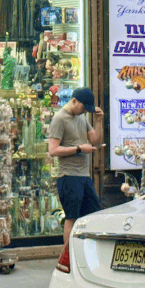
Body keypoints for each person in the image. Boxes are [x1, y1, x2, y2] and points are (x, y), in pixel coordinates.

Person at [48, 87, 104, 250]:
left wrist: (99, 120)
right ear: (74, 101)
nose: (84, 112)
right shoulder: (59, 118)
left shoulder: (81, 117)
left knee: (92, 214)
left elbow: (94, 139)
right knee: (71, 217)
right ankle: (68, 255)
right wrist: (79, 149)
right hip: (68, 176)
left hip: (83, 175)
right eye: (83, 108)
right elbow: (53, 150)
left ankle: (87, 251)